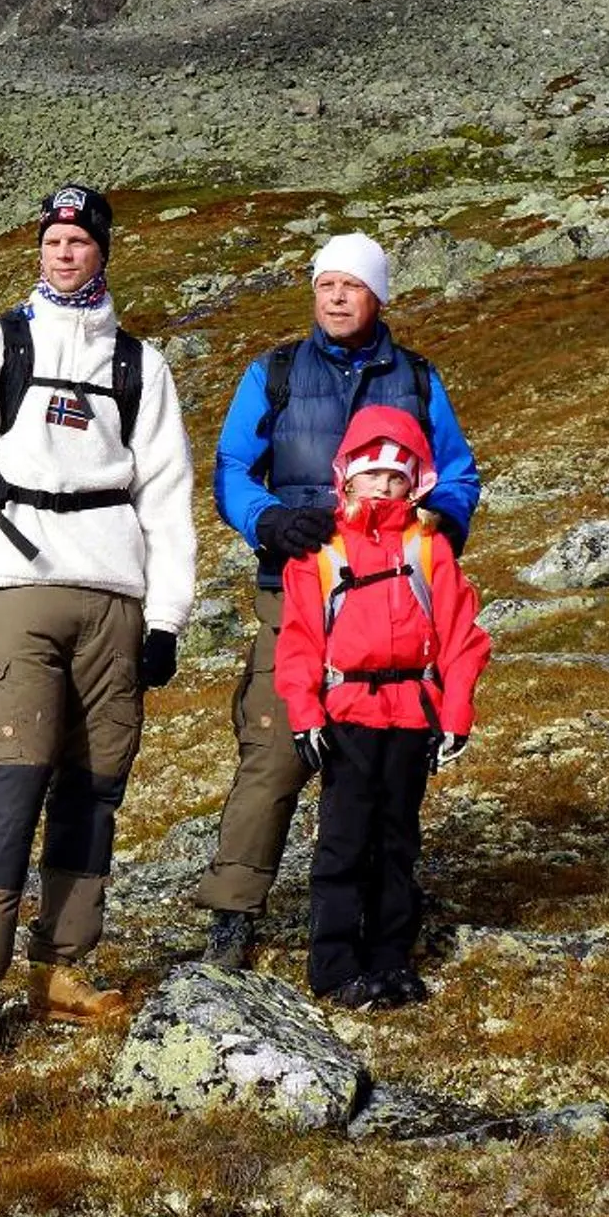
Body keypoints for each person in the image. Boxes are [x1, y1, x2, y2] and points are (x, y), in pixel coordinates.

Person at [0, 182, 197, 1064]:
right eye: (54, 239)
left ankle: (63, 968)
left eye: (80, 239)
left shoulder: (140, 365)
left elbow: (169, 498)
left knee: (95, 786)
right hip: (21, 590)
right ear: (39, 248)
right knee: (11, 783)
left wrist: (168, 617)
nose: (65, 251)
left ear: (105, 250)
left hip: (116, 596)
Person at [192, 231, 481, 970]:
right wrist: (270, 520)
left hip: (392, 603)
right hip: (295, 590)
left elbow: (456, 474)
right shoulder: (275, 373)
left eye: (353, 285)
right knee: (277, 749)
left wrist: (436, 525)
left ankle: (376, 921)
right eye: (326, 285)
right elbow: (230, 467)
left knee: (382, 768)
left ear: (378, 294)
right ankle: (234, 911)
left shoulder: (417, 379)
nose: (338, 297)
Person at [274, 405, 489, 1005]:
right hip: (346, 717)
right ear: (348, 476)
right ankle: (336, 967)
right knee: (343, 840)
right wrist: (305, 713)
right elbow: (298, 642)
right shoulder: (318, 553)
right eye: (372, 473)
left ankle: (392, 957)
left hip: (412, 713)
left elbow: (462, 636)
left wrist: (456, 715)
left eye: (398, 475)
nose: (384, 485)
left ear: (415, 481)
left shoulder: (430, 550)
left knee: (398, 840)